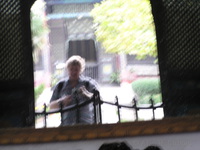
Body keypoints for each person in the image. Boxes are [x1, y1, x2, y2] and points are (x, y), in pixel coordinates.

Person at [49, 55, 99, 126]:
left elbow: (99, 100)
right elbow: (51, 107)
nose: (74, 72)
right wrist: (62, 102)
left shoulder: (88, 84)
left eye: (76, 69)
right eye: (71, 69)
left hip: (87, 125)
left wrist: (86, 94)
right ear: (67, 69)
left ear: (81, 70)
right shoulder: (61, 85)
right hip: (67, 126)